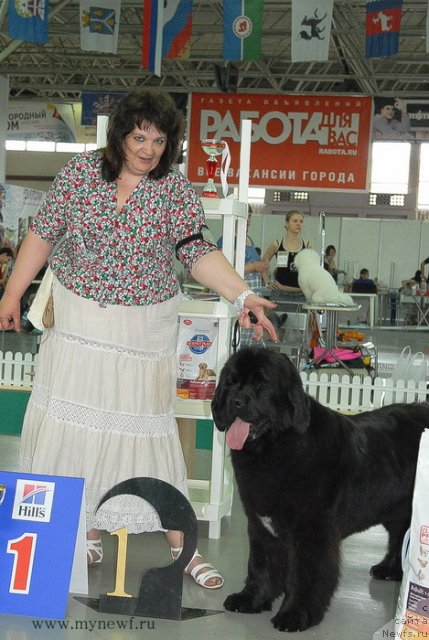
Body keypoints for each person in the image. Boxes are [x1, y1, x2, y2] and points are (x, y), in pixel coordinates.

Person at [0, 88, 277, 588]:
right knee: (73, 428)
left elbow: (196, 249)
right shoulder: (80, 175)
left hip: (142, 330)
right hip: (78, 324)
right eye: (138, 136)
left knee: (147, 433)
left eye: (158, 139)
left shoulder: (173, 190)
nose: (148, 148)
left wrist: (241, 297)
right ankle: (80, 530)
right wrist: (11, 294)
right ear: (119, 136)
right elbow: (42, 233)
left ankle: (183, 547)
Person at [217, 207, 269, 347]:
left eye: (249, 217)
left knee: (252, 339)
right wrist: (253, 267)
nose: (248, 221)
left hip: (252, 297)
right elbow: (225, 271)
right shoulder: (226, 240)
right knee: (239, 340)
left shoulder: (248, 240)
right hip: (238, 297)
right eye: (245, 217)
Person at [261, 210, 309, 298]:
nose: (298, 223)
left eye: (301, 221)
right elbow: (263, 263)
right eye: (295, 221)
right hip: (280, 293)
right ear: (286, 224)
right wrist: (267, 282)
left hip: (302, 294)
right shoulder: (277, 244)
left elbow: (314, 269)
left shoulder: (307, 245)